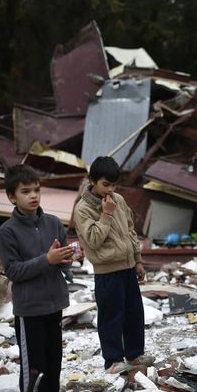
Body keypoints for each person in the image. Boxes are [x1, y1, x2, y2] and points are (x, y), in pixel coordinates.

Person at [0, 164, 73, 392]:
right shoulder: (8, 231)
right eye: (26, 191)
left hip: (54, 307)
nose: (33, 196)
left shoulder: (53, 223)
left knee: (53, 365)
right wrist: (47, 259)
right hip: (30, 311)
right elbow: (13, 271)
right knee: (34, 369)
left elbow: (63, 264)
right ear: (12, 196)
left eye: (37, 190)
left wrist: (67, 259)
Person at [73, 156, 152, 374]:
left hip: (127, 267)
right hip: (107, 271)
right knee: (111, 316)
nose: (110, 189)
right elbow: (93, 239)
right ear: (92, 181)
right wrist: (106, 213)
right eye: (105, 184)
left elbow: (130, 231)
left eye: (114, 184)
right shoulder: (83, 209)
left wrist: (137, 260)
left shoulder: (118, 199)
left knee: (134, 312)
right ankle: (113, 360)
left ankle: (135, 355)